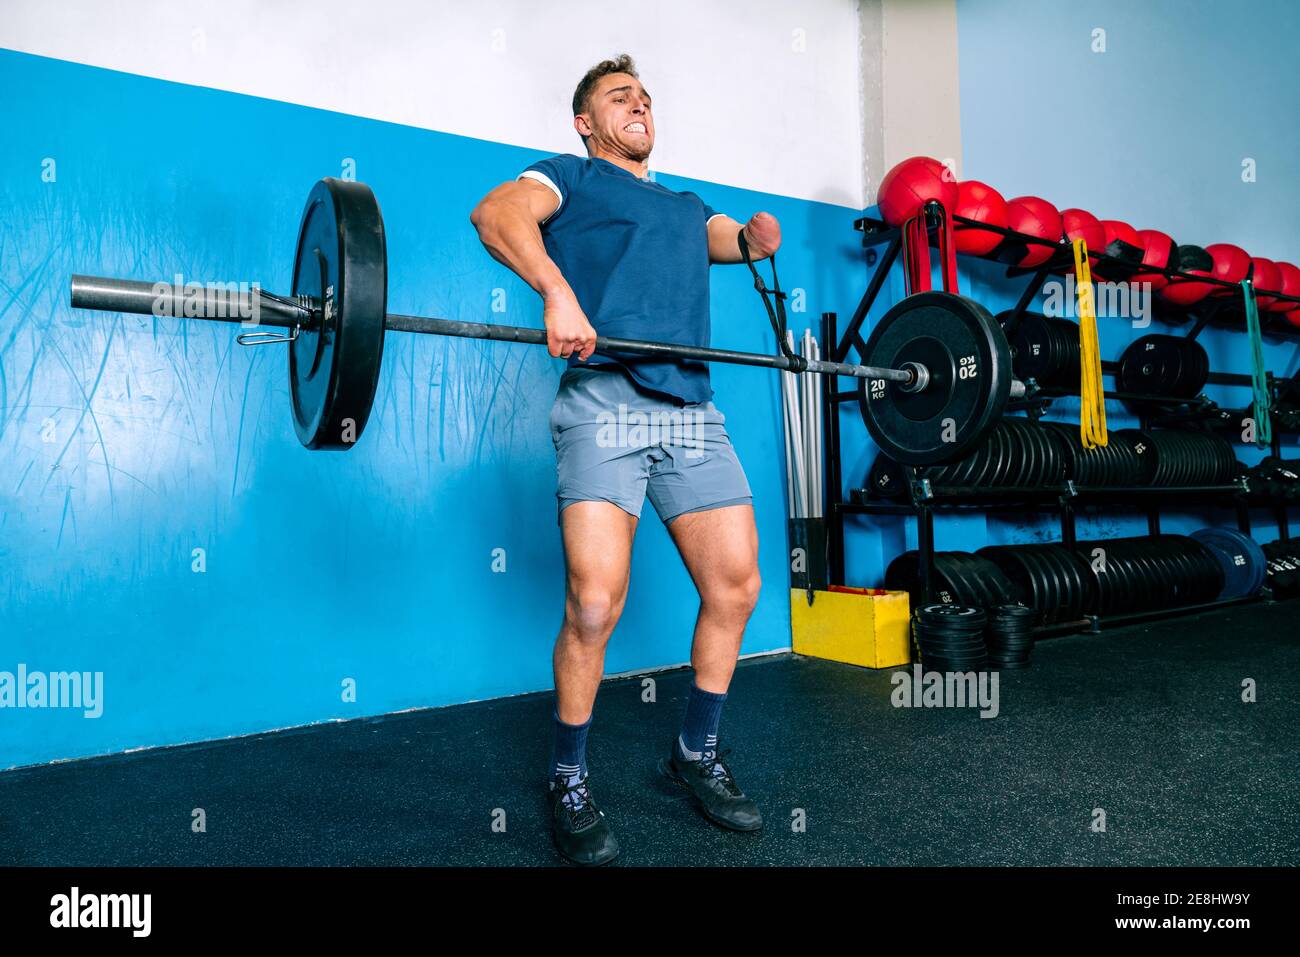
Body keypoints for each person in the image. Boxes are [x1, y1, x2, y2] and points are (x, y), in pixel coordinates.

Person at [469, 54, 781, 866]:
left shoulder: (682, 204)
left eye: (645, 97)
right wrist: (556, 291)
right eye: (620, 97)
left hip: (691, 413)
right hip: (605, 401)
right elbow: (496, 214)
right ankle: (567, 775)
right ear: (585, 120)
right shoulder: (567, 176)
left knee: (736, 584)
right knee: (596, 601)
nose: (639, 105)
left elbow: (726, 240)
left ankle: (694, 751)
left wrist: (752, 238)